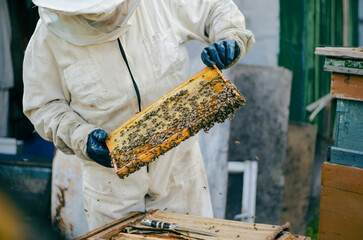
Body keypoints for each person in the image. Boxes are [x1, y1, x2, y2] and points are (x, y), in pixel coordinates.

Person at [23, 0, 254, 232]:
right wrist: (80, 136)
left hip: (179, 171)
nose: (106, 15)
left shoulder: (159, 3)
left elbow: (215, 8)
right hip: (111, 186)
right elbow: (44, 106)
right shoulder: (47, 38)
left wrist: (230, 38)